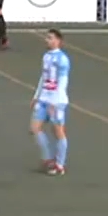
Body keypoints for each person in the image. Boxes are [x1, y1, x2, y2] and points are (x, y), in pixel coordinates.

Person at [30, 29, 71, 176]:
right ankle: (47, 159)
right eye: (47, 38)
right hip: (44, 98)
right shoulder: (46, 57)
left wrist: (56, 102)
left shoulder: (63, 59)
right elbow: (43, 77)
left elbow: (62, 82)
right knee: (35, 128)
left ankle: (60, 164)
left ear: (58, 41)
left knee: (58, 132)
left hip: (56, 100)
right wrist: (36, 95)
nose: (47, 40)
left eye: (50, 38)